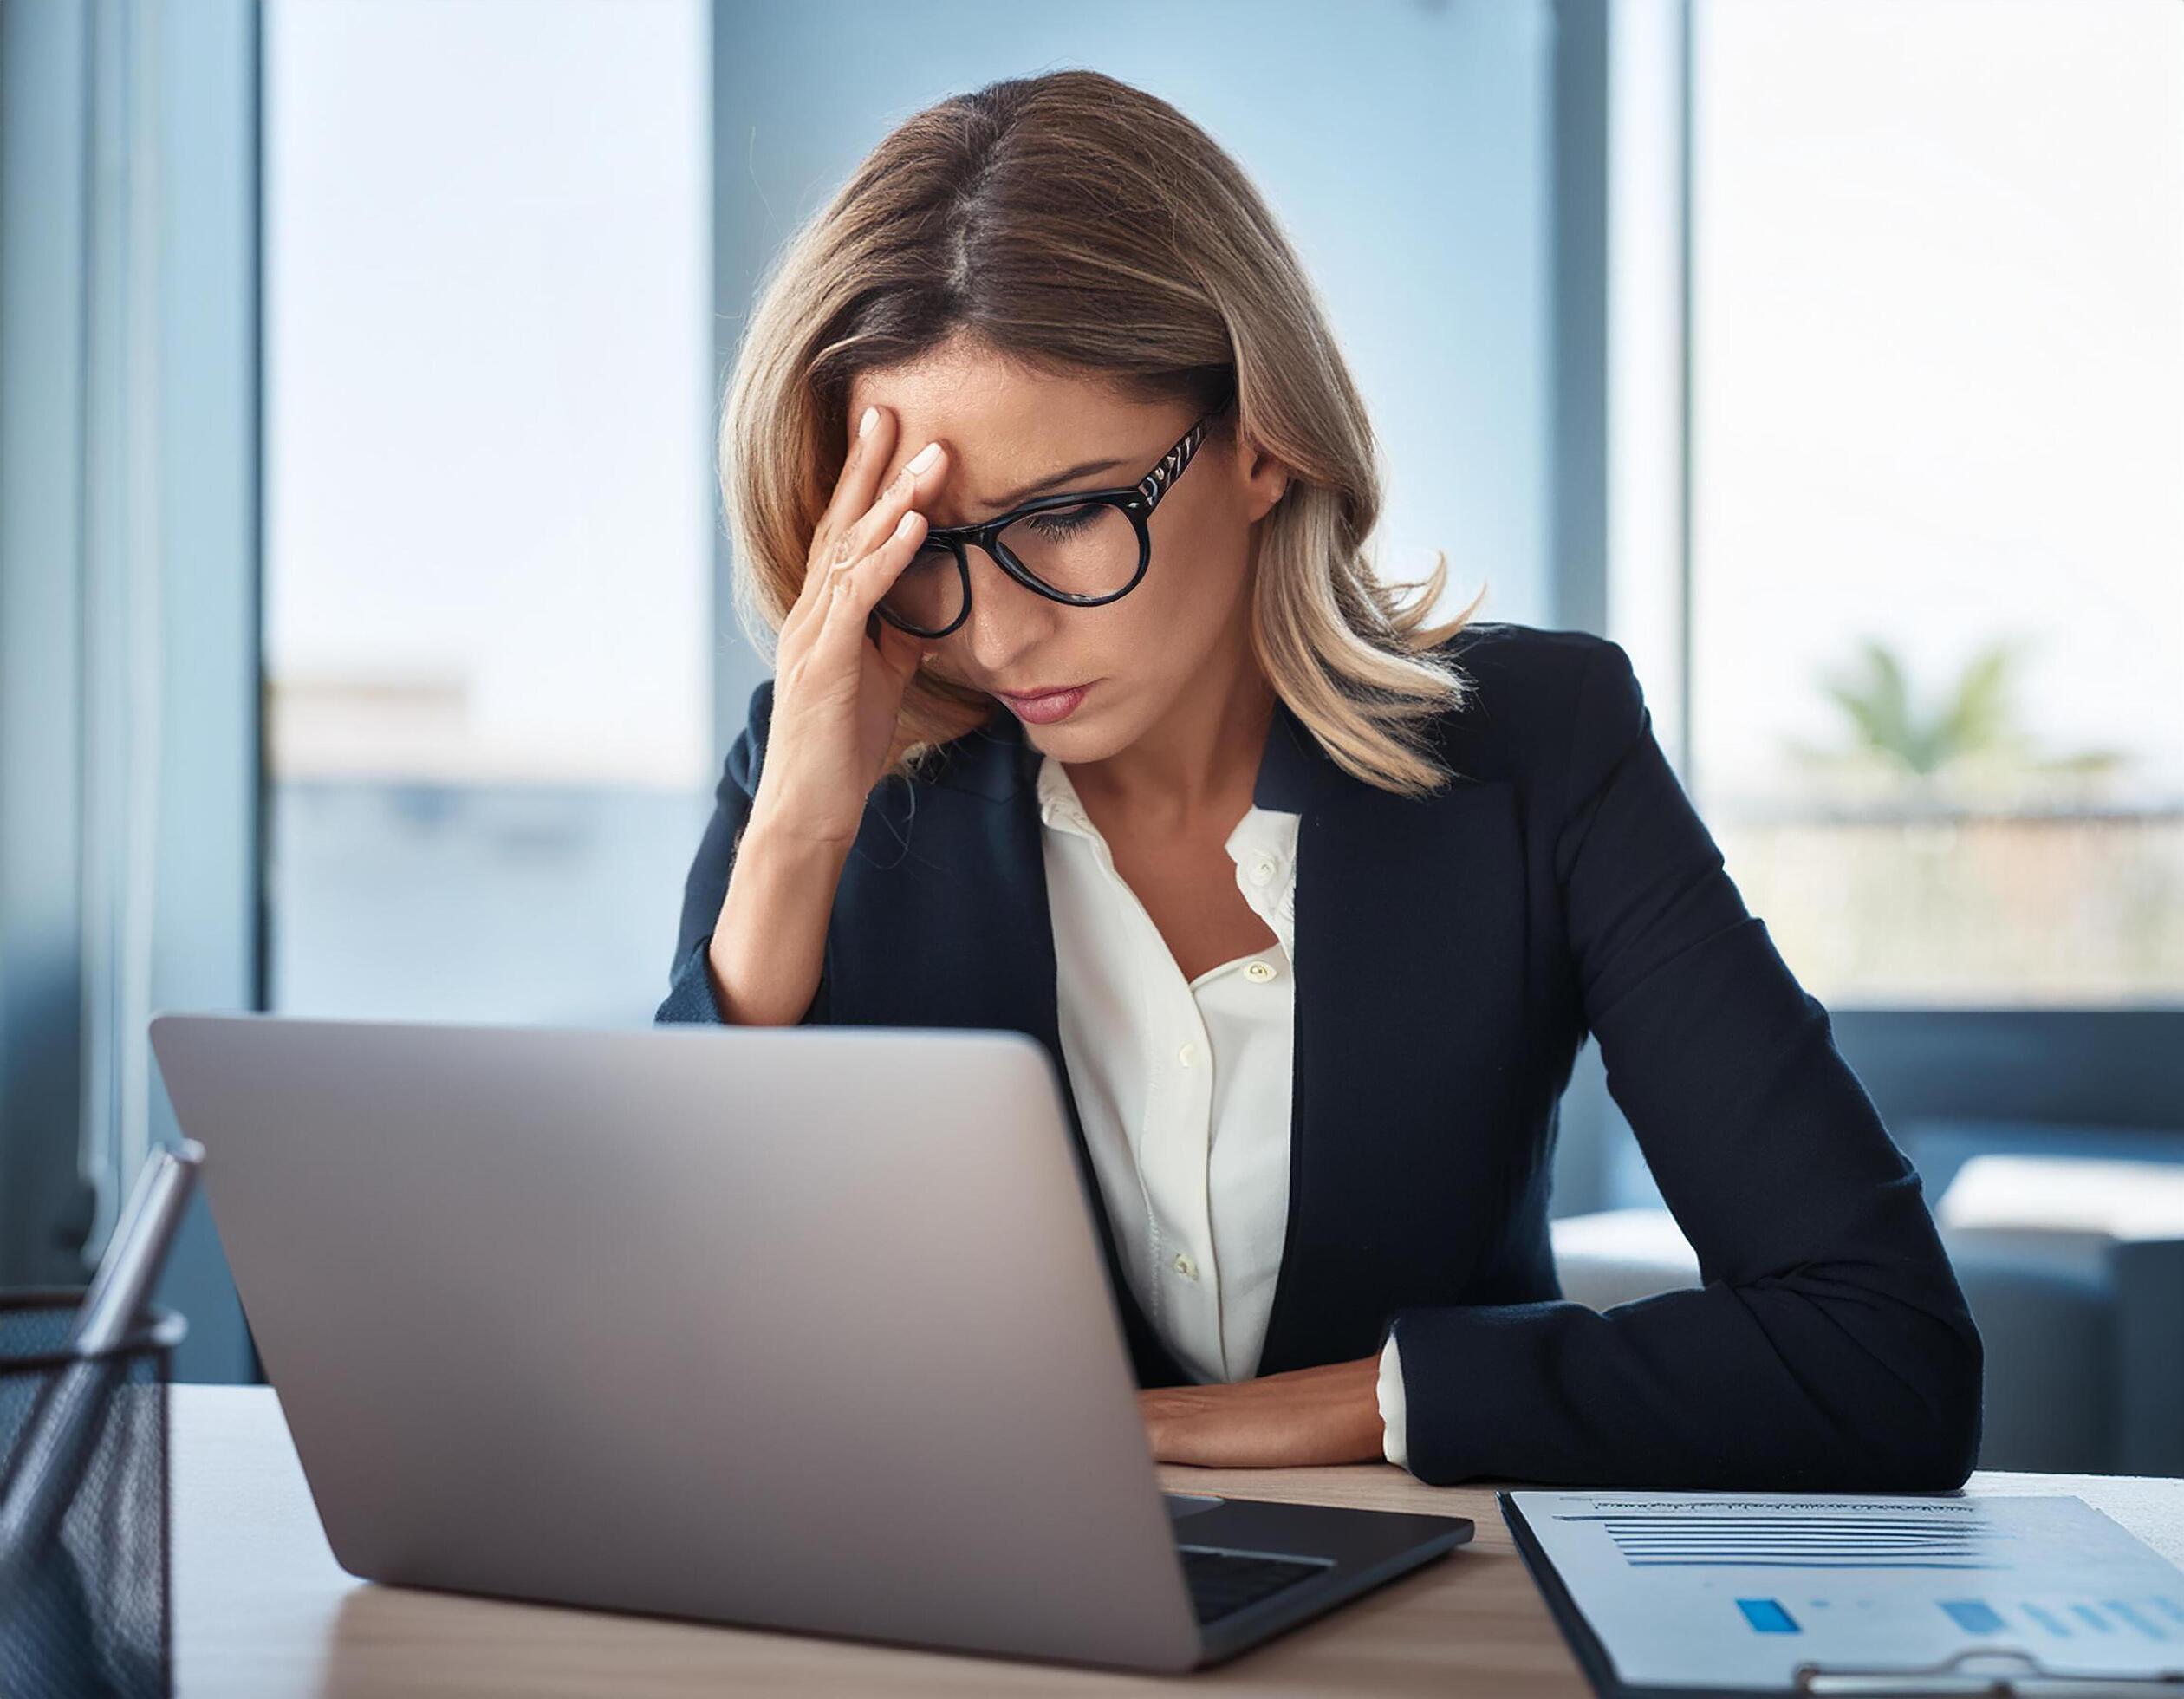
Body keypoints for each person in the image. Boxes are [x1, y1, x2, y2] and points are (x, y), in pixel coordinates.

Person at [656, 68, 1983, 1490]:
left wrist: (1327, 1411)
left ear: (1262, 443)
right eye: (922, 545)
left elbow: (1881, 1355)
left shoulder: (1542, 747)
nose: (992, 629)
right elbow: (660, 1363)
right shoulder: (827, 769)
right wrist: (794, 833)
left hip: (1447, 1616)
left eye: (1068, 516)